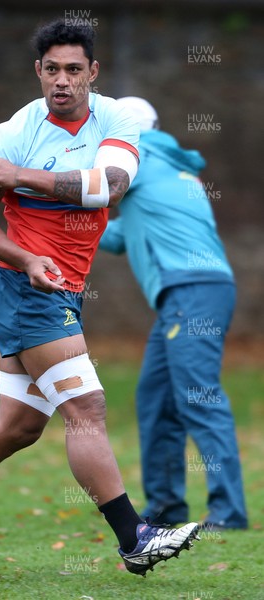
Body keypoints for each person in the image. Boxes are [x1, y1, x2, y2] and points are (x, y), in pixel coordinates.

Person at [0, 22, 200, 580]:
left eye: (74, 69)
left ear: (93, 74)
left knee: (18, 424)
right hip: (26, 290)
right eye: (52, 70)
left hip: (62, 289)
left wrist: (25, 178)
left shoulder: (117, 119)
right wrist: (25, 258)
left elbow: (110, 186)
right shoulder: (11, 134)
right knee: (86, 407)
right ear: (38, 73)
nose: (62, 81)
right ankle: (135, 538)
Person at [99, 96, 248, 531]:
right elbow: (118, 235)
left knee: (200, 398)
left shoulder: (138, 157)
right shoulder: (171, 168)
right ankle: (166, 509)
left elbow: (93, 192)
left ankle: (229, 512)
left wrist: (27, 190)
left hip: (193, 291)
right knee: (157, 399)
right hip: (194, 292)